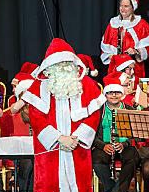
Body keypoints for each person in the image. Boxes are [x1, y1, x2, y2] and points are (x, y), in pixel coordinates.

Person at [21, 38, 105, 191]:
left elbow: (93, 115)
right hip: (49, 149)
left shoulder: (87, 85)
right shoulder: (39, 87)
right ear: (49, 66)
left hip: (77, 146)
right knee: (48, 183)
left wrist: (77, 138)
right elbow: (36, 116)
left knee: (80, 184)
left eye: (66, 63)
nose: (63, 67)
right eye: (58, 64)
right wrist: (58, 138)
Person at [92, 72, 139, 192]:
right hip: (105, 145)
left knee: (132, 159)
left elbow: (138, 135)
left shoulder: (130, 110)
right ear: (105, 94)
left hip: (124, 145)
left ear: (122, 94)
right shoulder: (98, 111)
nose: (114, 95)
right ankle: (111, 187)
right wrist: (103, 145)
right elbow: (91, 134)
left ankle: (119, 189)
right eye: (110, 93)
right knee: (97, 161)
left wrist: (124, 144)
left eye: (117, 92)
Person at [100, 0, 149, 79]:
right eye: (121, 6)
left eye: (126, 6)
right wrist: (109, 56)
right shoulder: (113, 24)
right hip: (115, 67)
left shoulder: (141, 24)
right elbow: (105, 47)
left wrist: (136, 51)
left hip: (134, 68)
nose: (122, 9)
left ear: (133, 7)